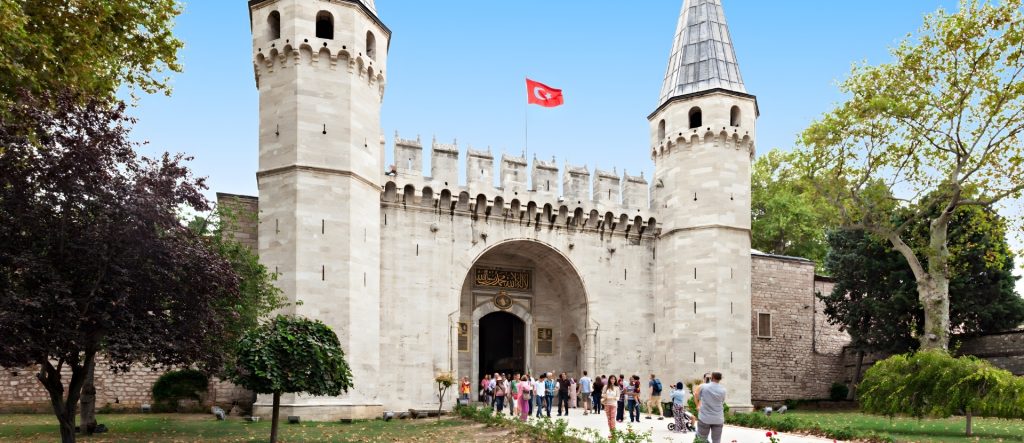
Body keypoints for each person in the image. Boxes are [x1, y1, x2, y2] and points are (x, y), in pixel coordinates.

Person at [696, 372, 727, 443]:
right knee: (716, 440)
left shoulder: (704, 387)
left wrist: (698, 404)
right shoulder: (723, 390)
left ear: (712, 377)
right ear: (720, 379)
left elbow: (697, 395)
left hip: (704, 417)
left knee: (701, 439)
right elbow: (722, 401)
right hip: (718, 418)